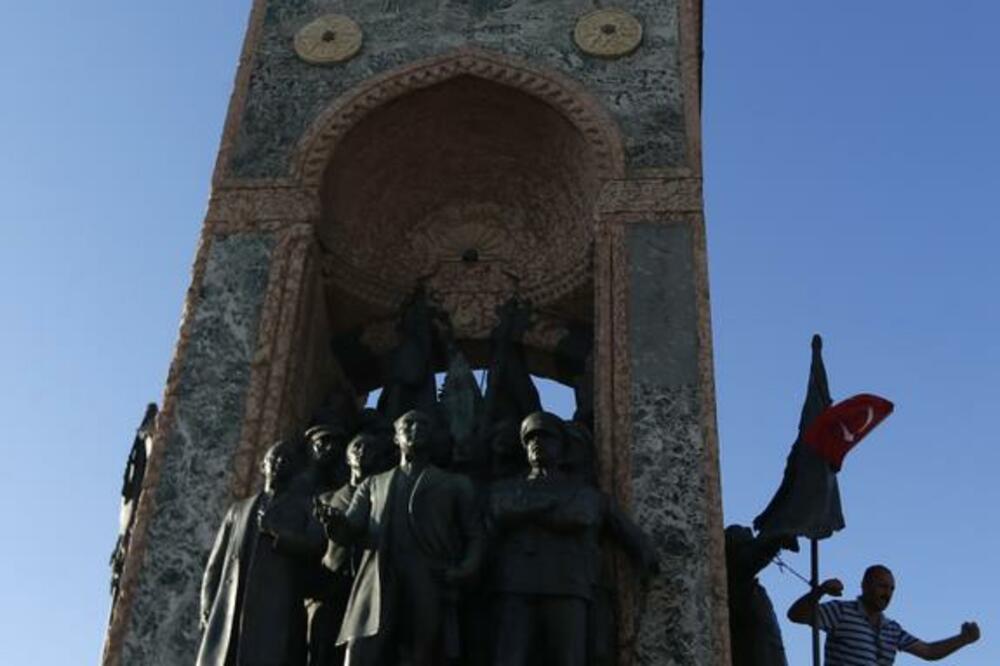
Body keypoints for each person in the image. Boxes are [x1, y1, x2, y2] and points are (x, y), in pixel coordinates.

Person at [489, 411, 658, 666]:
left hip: (568, 586)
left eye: (546, 437)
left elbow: (594, 519)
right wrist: (554, 508)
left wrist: (645, 556)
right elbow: (501, 510)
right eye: (531, 438)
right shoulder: (508, 488)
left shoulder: (586, 494)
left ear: (562, 447)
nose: (537, 443)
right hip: (517, 585)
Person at [321, 410, 484, 666]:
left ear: (433, 436)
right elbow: (351, 529)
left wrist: (465, 570)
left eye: (423, 424)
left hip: (428, 578)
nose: (415, 429)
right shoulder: (373, 484)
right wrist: (333, 522)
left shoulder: (455, 485)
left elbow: (475, 535)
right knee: (359, 653)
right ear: (396, 438)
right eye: (408, 425)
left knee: (420, 655)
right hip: (377, 580)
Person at [197, 439, 326, 666]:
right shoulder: (238, 510)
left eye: (285, 459)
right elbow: (215, 564)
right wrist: (207, 605)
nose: (278, 463)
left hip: (275, 609)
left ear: (295, 468)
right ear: (263, 465)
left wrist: (279, 535)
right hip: (230, 607)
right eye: (273, 458)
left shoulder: (307, 506)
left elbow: (317, 545)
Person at [787, 564, 981, 664]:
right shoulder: (841, 611)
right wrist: (819, 591)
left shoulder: (892, 629)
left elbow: (929, 652)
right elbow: (796, 615)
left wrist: (963, 639)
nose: (887, 594)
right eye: (882, 586)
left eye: (891, 589)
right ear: (864, 585)